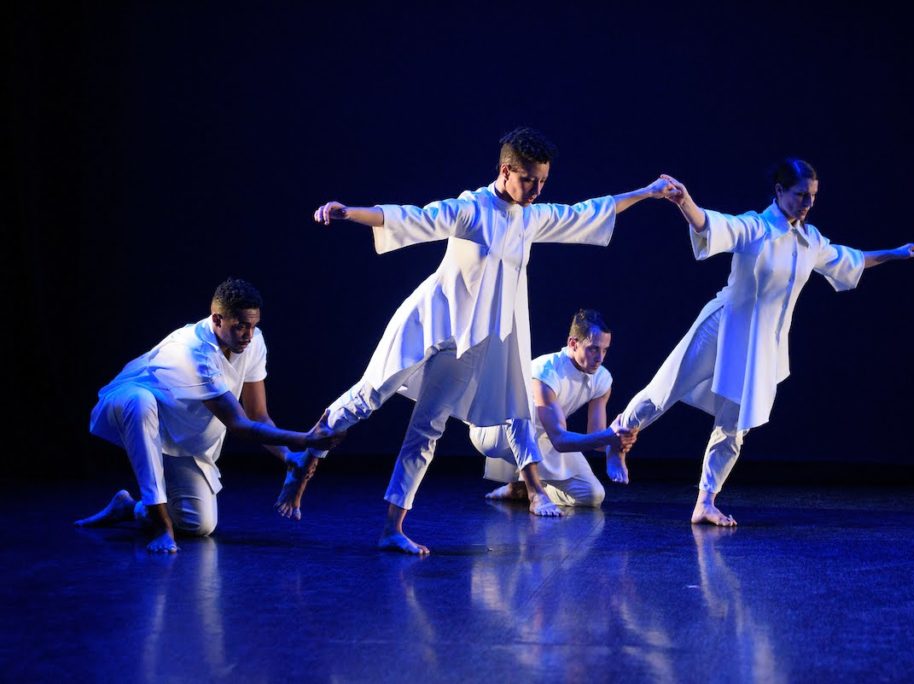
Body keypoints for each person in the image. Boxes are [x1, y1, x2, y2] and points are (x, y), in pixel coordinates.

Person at [299, 127, 677, 554]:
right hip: (430, 323)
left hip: (471, 344)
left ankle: (392, 528)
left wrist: (647, 192)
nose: (536, 190)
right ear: (505, 170)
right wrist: (350, 212)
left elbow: (589, 211)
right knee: (369, 395)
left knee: (427, 429)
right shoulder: (471, 208)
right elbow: (413, 217)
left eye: (543, 182)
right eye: (529, 179)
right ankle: (307, 451)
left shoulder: (530, 218)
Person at [612, 160, 914, 526]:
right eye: (800, 195)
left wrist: (896, 253)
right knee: (664, 389)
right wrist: (685, 202)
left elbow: (850, 259)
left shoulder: (811, 242)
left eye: (812, 196)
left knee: (734, 426)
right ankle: (617, 436)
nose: (807, 203)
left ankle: (705, 502)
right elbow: (713, 225)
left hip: (761, 348)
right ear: (779, 192)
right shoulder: (756, 227)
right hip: (724, 326)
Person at [75, 278, 345, 553]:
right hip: (131, 404)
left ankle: (130, 507)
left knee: (199, 525)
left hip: (180, 431)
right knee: (141, 402)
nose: (248, 335)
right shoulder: (193, 350)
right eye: (240, 326)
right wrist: (306, 439)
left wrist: (288, 457)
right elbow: (239, 424)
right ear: (217, 319)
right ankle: (160, 526)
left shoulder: (254, 342)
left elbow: (258, 415)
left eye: (253, 325)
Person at [470, 309, 636, 507]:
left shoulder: (602, 379)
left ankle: (520, 489)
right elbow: (559, 439)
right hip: (495, 430)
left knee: (592, 495)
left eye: (605, 350)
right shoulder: (546, 372)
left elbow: (597, 439)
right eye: (593, 349)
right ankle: (535, 494)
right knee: (522, 410)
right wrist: (607, 436)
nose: (600, 358)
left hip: (542, 438)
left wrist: (618, 442)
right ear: (573, 344)